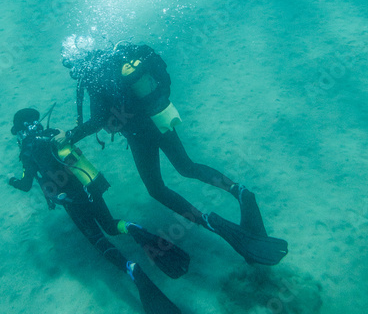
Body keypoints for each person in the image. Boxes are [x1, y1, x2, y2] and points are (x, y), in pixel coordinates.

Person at [59, 38, 288, 266]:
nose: (73, 73)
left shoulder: (94, 76)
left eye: (71, 67)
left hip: (140, 134)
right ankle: (239, 191)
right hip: (159, 118)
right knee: (187, 166)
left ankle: (207, 221)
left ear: (78, 62)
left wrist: (69, 136)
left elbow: (98, 120)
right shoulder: (117, 58)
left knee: (156, 189)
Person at [7, 107, 189, 314]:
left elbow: (26, 185)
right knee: (111, 226)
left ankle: (130, 268)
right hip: (90, 185)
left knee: (98, 240)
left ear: (22, 130)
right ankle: (134, 229)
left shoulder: (27, 149)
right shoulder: (55, 132)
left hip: (73, 201)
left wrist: (11, 180)